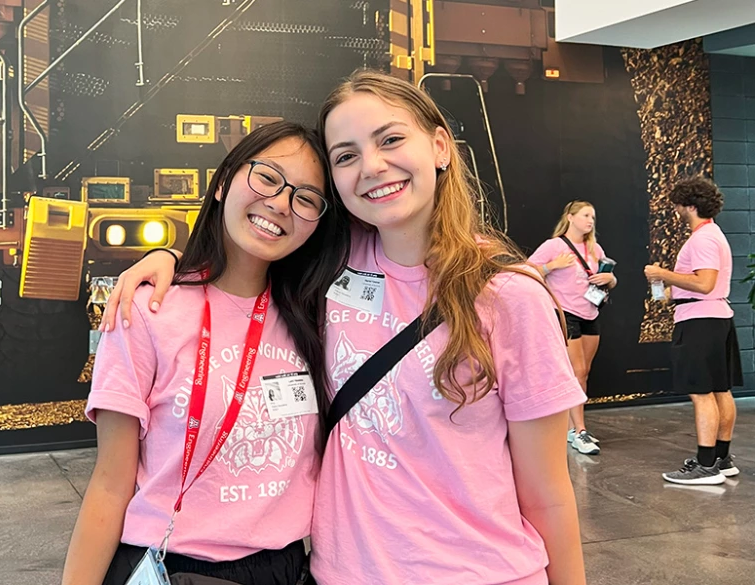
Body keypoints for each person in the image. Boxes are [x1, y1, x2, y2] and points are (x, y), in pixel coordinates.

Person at [100, 71, 587, 585]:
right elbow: (249, 251)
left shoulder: (509, 297)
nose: (373, 166)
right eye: (346, 156)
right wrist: (171, 259)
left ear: (440, 146)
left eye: (391, 139)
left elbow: (549, 496)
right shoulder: (329, 268)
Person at [61, 121, 350, 585]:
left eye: (306, 198)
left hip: (284, 568)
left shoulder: (319, 319)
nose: (279, 204)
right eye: (267, 177)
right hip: (170, 566)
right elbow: (111, 483)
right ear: (223, 182)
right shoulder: (148, 310)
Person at [644, 176, 742, 486]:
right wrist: (670, 285)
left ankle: (705, 466)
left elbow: (704, 283)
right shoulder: (712, 235)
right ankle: (720, 459)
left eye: (677, 205)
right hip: (715, 318)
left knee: (702, 394)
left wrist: (663, 274)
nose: (675, 210)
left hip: (701, 322)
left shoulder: (702, 239)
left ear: (690, 205)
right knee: (719, 390)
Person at [529, 201, 617, 455]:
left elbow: (609, 280)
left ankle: (571, 429)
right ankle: (579, 431)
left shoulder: (594, 248)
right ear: (570, 217)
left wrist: (609, 279)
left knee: (583, 372)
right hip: (565, 314)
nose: (590, 221)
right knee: (576, 370)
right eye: (586, 215)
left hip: (590, 312)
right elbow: (525, 269)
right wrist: (550, 267)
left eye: (593, 216)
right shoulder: (554, 245)